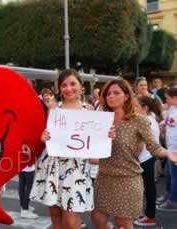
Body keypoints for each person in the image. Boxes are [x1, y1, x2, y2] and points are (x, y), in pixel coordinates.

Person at [91, 79, 177, 229]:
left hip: (128, 179)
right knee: (97, 218)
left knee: (123, 223)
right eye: (108, 94)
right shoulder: (101, 121)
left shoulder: (139, 120)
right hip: (104, 178)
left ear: (126, 96)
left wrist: (167, 153)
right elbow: (89, 148)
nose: (111, 96)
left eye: (116, 93)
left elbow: (154, 147)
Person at [30, 69, 94, 229]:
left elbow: (94, 141)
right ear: (59, 88)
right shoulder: (53, 107)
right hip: (53, 167)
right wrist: (43, 137)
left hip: (77, 168)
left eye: (73, 84)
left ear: (81, 86)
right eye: (64, 85)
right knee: (56, 217)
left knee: (72, 222)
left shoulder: (90, 109)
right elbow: (48, 138)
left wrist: (107, 136)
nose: (68, 88)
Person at [134, 96, 162, 226]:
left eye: (136, 106)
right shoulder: (151, 119)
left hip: (144, 159)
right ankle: (146, 214)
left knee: (147, 188)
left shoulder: (146, 120)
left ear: (144, 108)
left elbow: (140, 144)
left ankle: (150, 216)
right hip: (148, 157)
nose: (133, 108)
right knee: (147, 187)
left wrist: (133, 158)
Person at [158, 87, 177, 211]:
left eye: (167, 98)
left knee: (174, 176)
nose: (166, 101)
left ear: (175, 98)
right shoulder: (172, 109)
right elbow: (164, 122)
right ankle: (169, 195)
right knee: (170, 175)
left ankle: (173, 201)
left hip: (176, 149)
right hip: (170, 148)